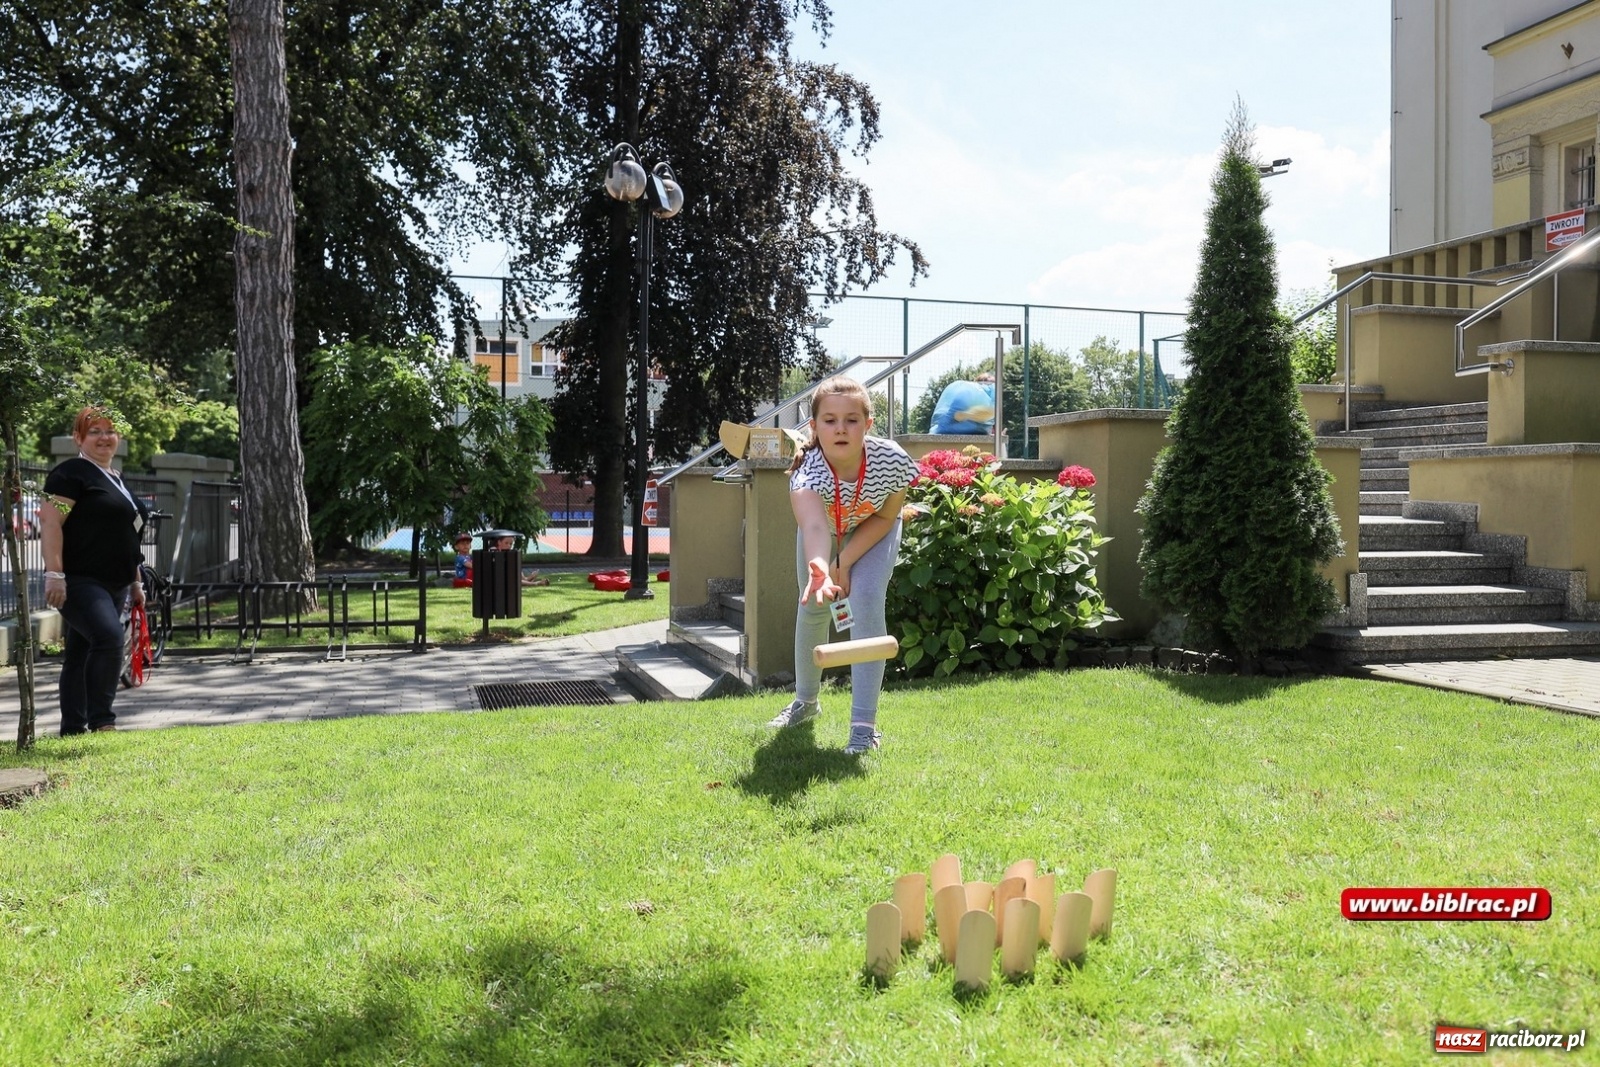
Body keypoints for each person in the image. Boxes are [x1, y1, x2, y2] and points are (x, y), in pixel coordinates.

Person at [767, 375, 918, 754]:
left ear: (868, 425)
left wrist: (845, 562)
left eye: (851, 419)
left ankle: (864, 730)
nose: (841, 428)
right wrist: (822, 568)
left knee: (865, 601)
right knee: (815, 607)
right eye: (830, 420)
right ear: (814, 427)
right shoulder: (807, 473)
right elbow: (814, 526)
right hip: (826, 532)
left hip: (873, 527)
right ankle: (805, 703)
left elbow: (886, 517)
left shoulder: (894, 460)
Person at [39, 407, 152, 736]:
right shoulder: (70, 474)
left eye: (110, 431)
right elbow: (49, 521)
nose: (104, 437)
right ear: (78, 438)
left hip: (116, 583)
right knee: (107, 637)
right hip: (79, 579)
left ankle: (72, 730)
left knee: (80, 652)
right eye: (94, 431)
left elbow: (127, 535)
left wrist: (135, 582)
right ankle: (103, 720)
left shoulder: (115, 479)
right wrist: (54, 574)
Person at [928, 371, 996, 435]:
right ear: (982, 383)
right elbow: (951, 416)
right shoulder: (968, 392)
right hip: (950, 426)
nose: (992, 388)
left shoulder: (988, 403)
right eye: (991, 384)